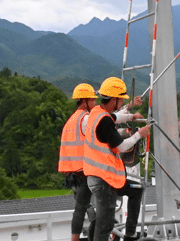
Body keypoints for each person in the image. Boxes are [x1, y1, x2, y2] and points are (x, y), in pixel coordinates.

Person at [84, 77, 150, 241]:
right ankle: (129, 234)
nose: (121, 103)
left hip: (98, 177)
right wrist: (139, 134)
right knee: (105, 225)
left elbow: (115, 117)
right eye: (121, 100)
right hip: (104, 180)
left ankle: (129, 234)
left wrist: (131, 117)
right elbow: (122, 146)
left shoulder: (97, 112)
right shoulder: (104, 120)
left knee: (136, 189)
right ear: (114, 100)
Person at [60, 83, 98, 241]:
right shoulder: (85, 118)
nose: (95, 103)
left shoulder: (71, 120)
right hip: (84, 171)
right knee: (82, 208)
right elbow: (103, 128)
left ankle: (92, 231)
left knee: (83, 206)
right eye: (93, 100)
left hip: (72, 173)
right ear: (85, 101)